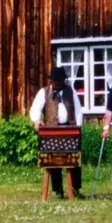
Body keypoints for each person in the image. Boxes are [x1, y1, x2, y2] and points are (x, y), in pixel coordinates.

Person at [29, 65, 84, 198]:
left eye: (59, 79)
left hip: (70, 130)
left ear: (63, 79)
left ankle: (75, 189)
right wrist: (36, 120)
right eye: (54, 79)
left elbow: (78, 111)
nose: (57, 82)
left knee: (74, 159)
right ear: (51, 80)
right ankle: (58, 191)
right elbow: (35, 108)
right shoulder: (44, 92)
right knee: (54, 161)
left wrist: (77, 127)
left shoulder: (71, 91)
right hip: (51, 130)